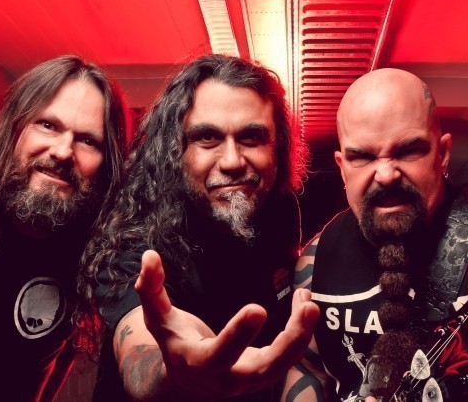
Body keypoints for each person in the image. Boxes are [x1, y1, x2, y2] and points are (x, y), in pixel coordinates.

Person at [283, 68, 468, 401]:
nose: (386, 174)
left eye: (408, 151)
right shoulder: (315, 260)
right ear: (342, 166)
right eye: (363, 157)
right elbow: (307, 371)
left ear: (442, 154)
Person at [80, 54, 320, 401]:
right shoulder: (137, 231)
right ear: (175, 150)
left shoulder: (279, 208)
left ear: (277, 146)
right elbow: (137, 345)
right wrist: (170, 371)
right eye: (207, 137)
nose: (233, 161)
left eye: (252, 137)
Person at [0, 55, 128, 401]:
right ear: (13, 131)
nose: (63, 151)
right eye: (47, 125)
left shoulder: (83, 249)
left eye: (88, 141)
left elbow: (51, 361)